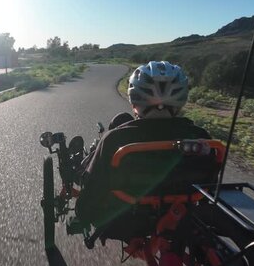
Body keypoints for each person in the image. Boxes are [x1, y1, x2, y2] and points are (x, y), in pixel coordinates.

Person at [73, 61, 211, 234]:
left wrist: (83, 213)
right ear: (181, 100)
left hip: (126, 216)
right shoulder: (201, 136)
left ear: (134, 100)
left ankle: (84, 161)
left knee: (119, 122)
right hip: (182, 210)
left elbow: (94, 185)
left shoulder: (115, 139)